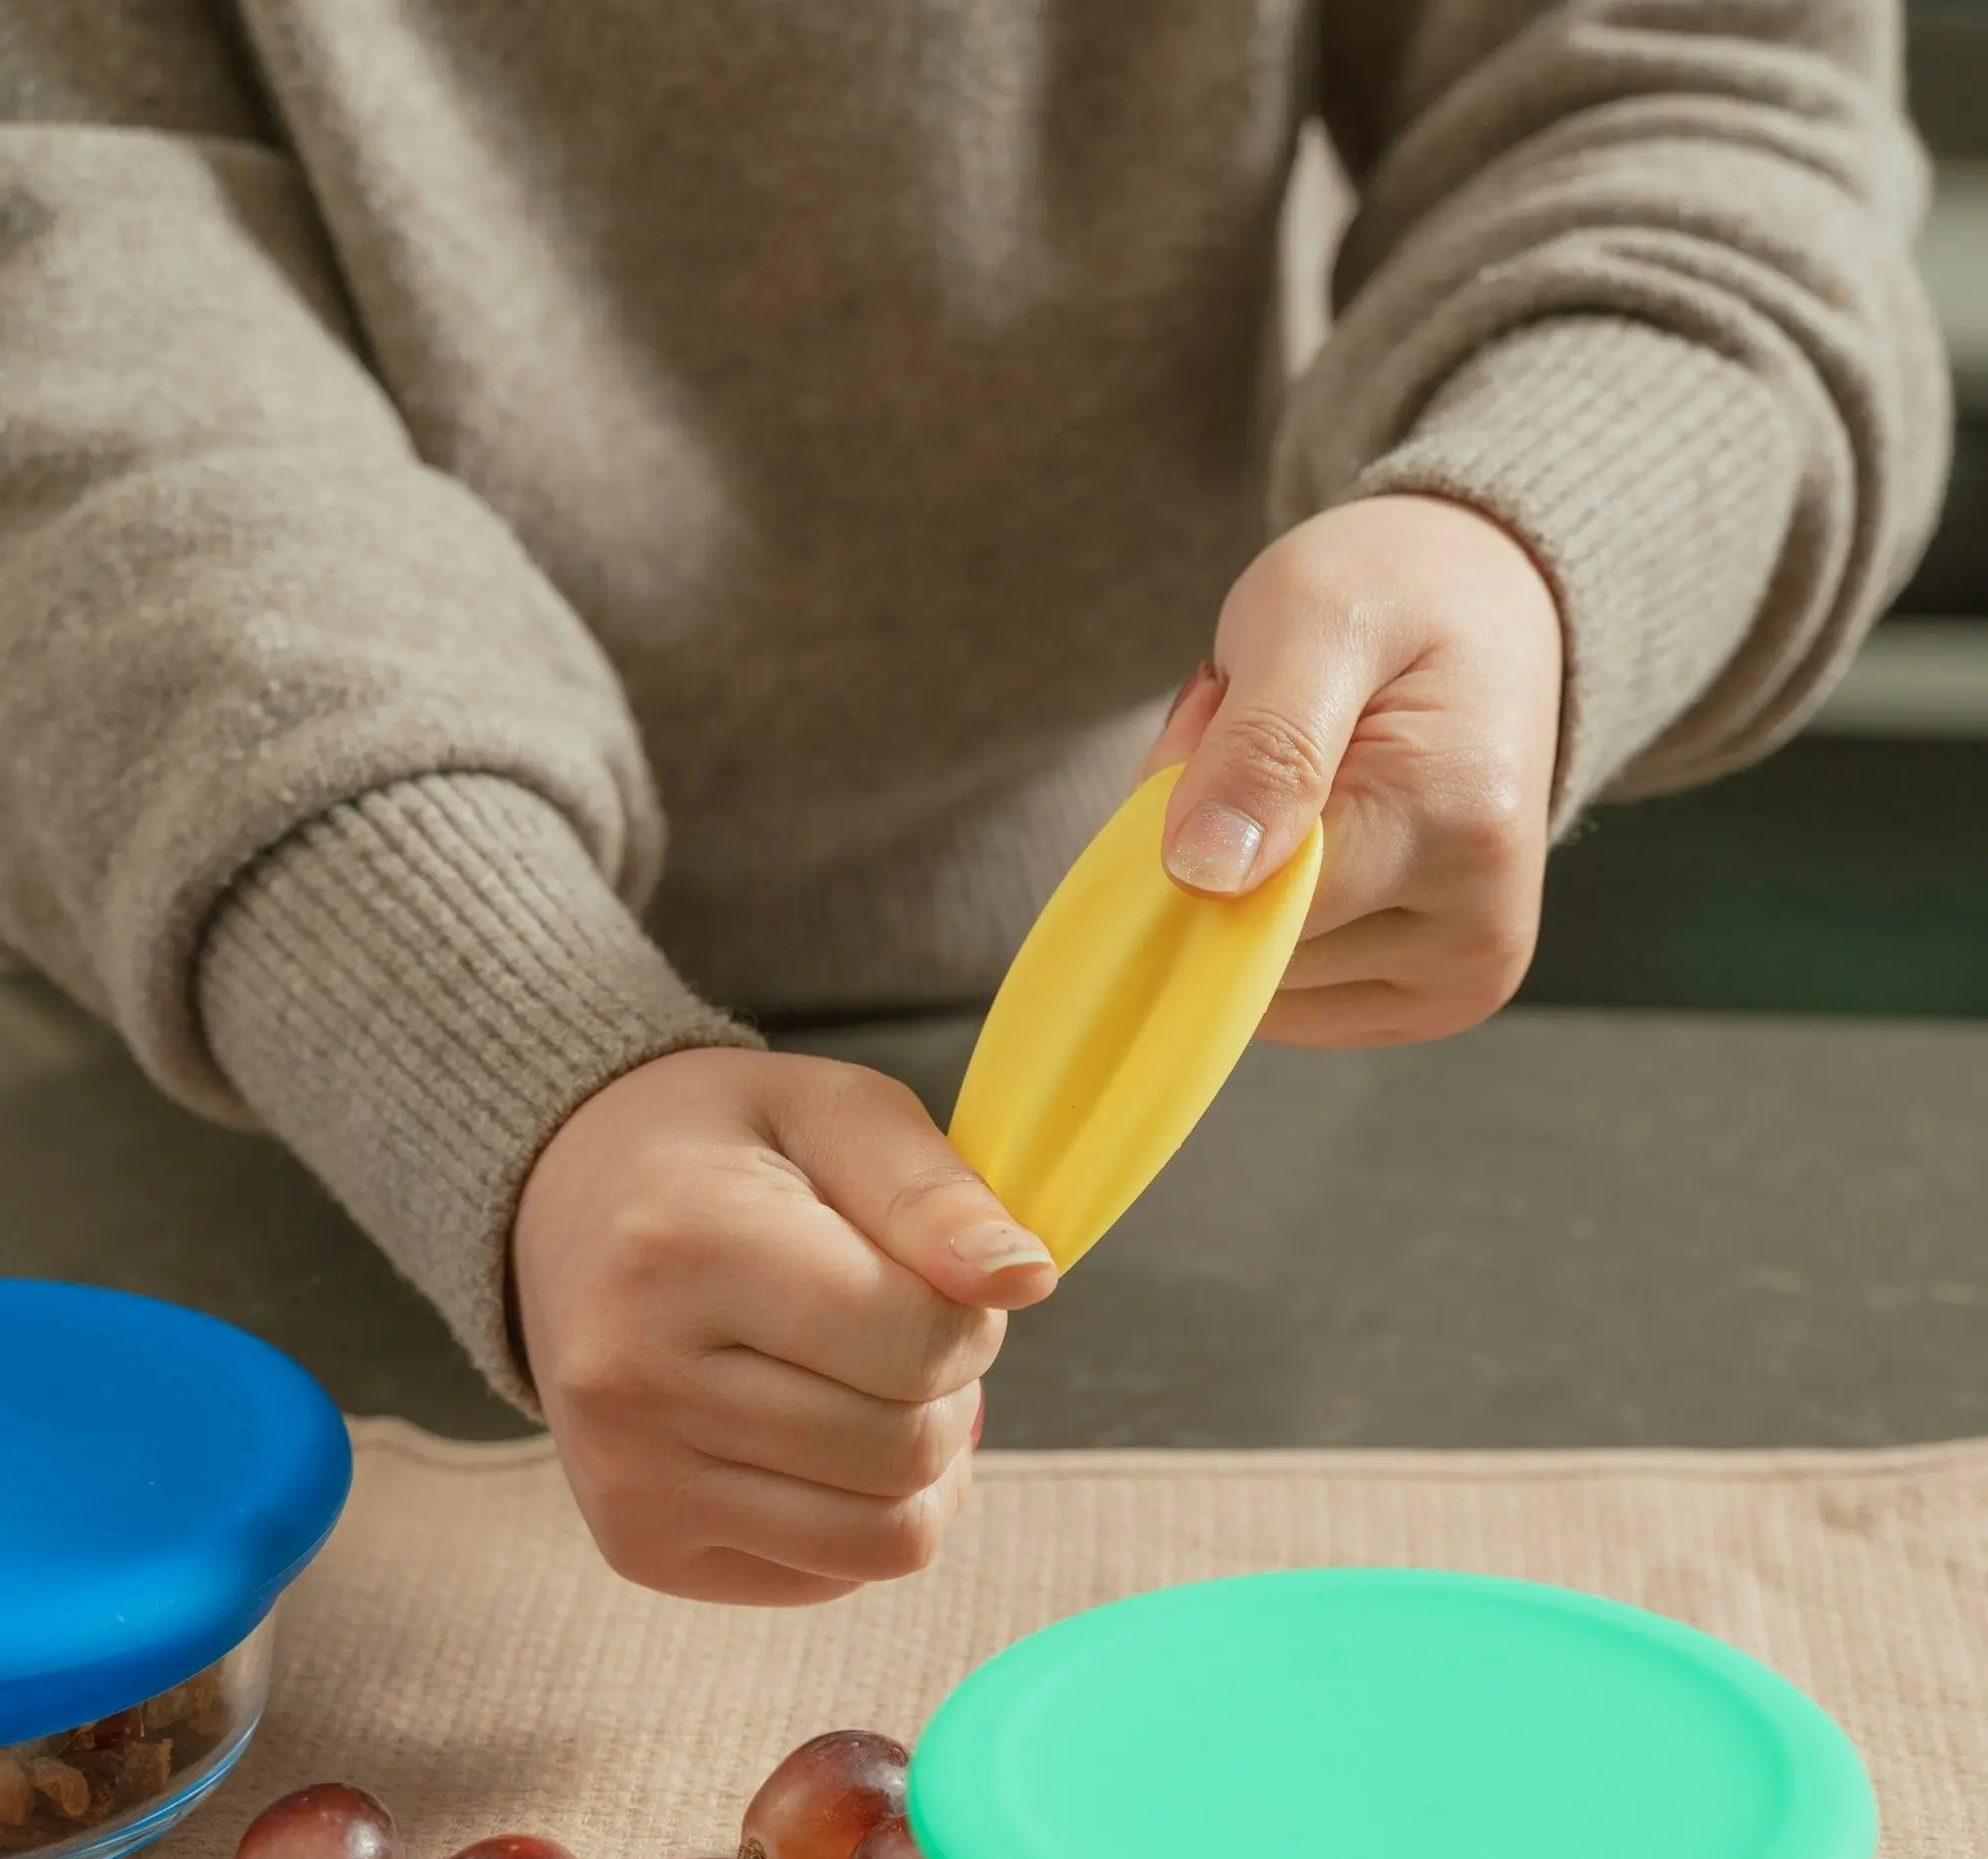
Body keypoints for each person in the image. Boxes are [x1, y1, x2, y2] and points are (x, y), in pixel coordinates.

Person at [0, 4, 1948, 1603]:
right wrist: (506, 1043)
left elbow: (1696, 97)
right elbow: (72, 308)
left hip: (1188, 1042)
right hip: (271, 1047)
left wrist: (1529, 534)